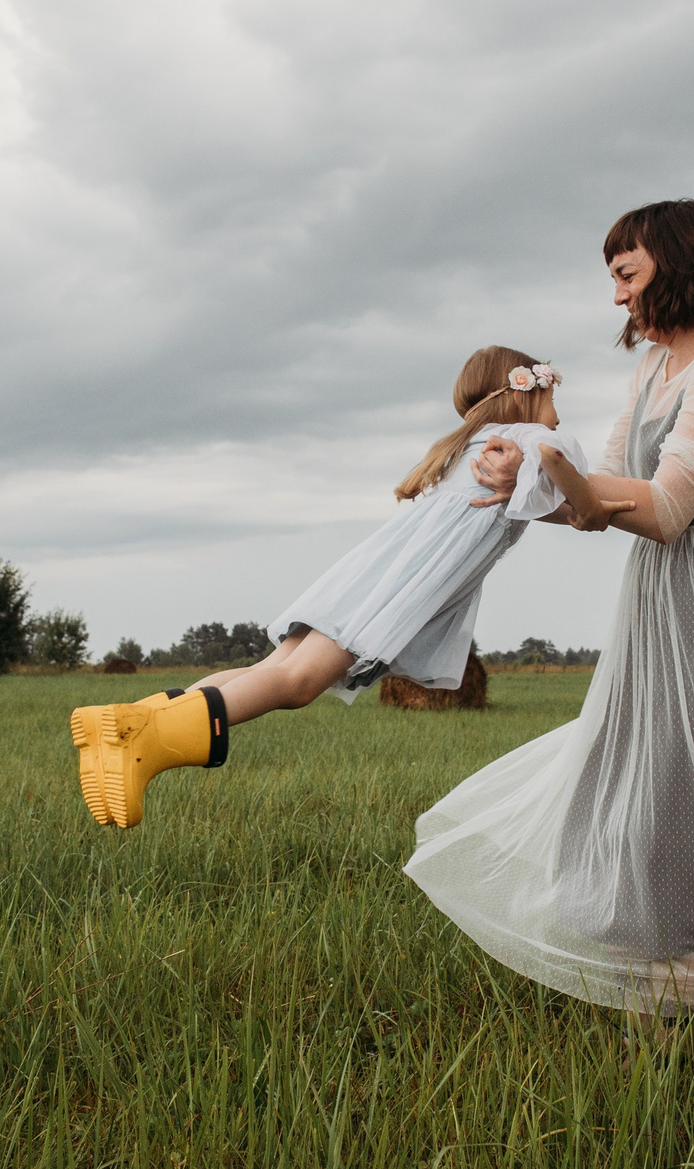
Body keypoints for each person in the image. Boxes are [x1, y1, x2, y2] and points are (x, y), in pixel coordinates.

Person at [408, 199, 694, 1015]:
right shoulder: (653, 370)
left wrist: (552, 465)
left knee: (693, 783)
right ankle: (664, 972)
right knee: (641, 766)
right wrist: (519, 479)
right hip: (661, 589)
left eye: (626, 274)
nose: (617, 297)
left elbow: (662, 508)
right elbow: (599, 502)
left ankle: (690, 994)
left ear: (678, 262)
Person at [69, 347, 619, 829]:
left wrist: (567, 509)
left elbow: (524, 502)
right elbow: (554, 463)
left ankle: (124, 723)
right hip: (397, 588)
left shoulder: (474, 444)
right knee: (300, 682)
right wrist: (589, 507)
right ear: (524, 391)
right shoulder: (531, 437)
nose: (558, 403)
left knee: (271, 671)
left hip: (370, 573)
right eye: (553, 389)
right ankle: (143, 743)